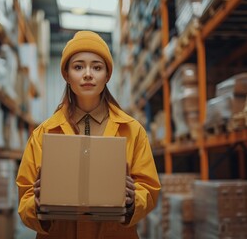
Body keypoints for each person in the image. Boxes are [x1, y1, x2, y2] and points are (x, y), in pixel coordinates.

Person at [16, 30, 161, 239]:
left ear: (107, 75)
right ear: (66, 75)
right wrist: (37, 205)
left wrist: (133, 200)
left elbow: (149, 188)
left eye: (97, 67)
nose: (87, 74)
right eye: (78, 67)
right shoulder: (44, 134)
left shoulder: (132, 130)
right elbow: (25, 197)